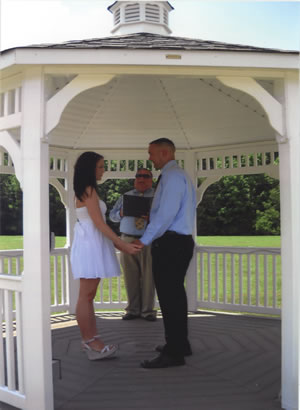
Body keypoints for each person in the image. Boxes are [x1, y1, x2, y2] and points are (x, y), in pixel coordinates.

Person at [70, 151, 140, 361]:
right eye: (100, 166)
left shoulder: (88, 190)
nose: (103, 170)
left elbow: (99, 223)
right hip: (90, 244)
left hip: (92, 243)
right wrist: (122, 245)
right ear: (91, 168)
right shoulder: (88, 190)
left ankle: (93, 340)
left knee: (88, 295)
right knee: (86, 295)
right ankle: (90, 342)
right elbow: (100, 223)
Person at [133, 138, 196, 369]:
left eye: (151, 153)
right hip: (178, 242)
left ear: (164, 152)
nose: (149, 158)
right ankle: (181, 344)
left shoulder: (172, 177)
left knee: (170, 299)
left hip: (171, 243)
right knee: (175, 297)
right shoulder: (177, 176)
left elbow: (166, 214)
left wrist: (144, 240)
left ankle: (174, 353)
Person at [109, 168, 156, 322]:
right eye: (138, 176)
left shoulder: (158, 196)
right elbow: (112, 216)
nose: (141, 179)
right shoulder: (126, 196)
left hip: (148, 240)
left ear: (151, 179)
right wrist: (120, 214)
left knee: (149, 277)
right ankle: (133, 310)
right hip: (127, 239)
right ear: (134, 179)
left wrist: (152, 216)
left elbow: (166, 218)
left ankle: (148, 311)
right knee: (130, 276)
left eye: (145, 176)